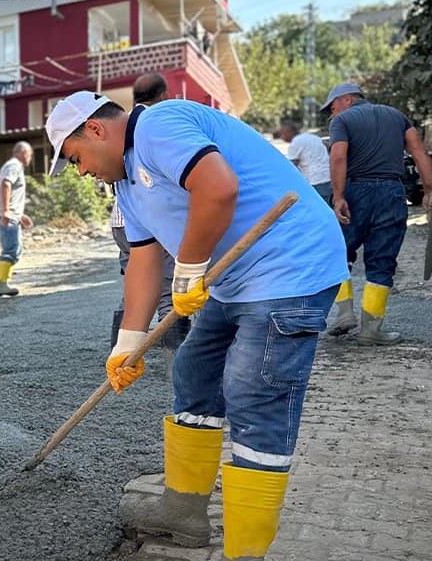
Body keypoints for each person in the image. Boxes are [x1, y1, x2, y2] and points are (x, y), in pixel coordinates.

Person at [45, 91, 347, 561]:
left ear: (97, 130)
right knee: (194, 372)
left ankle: (246, 550)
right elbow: (144, 261)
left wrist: (188, 268)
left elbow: (217, 186)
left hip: (290, 266)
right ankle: (184, 509)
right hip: (236, 280)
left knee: (254, 391)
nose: (81, 171)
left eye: (76, 158)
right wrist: (127, 345)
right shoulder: (126, 186)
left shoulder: (159, 125)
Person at [322, 82, 432, 345]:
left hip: (355, 189)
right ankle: (370, 330)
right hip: (392, 193)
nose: (331, 113)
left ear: (346, 99)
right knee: (382, 259)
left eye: (332, 106)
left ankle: (344, 315)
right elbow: (419, 152)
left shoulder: (343, 121)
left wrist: (338, 196)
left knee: (338, 250)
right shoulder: (397, 116)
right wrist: (428, 190)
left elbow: (338, 157)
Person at [109, 73, 190, 355]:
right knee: (164, 283)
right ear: (164, 95)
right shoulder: (152, 125)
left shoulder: (129, 127)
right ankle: (173, 348)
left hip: (120, 223)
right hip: (144, 222)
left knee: (134, 278)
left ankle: (122, 344)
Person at [0, 141, 34, 296]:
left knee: (14, 249)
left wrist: (20, 215)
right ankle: (0, 284)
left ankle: (2, 283)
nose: (30, 158)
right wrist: (6, 211)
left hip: (10, 215)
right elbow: (5, 185)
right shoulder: (14, 165)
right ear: (23, 152)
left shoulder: (14, 166)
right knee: (11, 250)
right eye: (30, 154)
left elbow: (12, 193)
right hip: (6, 215)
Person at [276, 119, 332, 205]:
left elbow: (292, 167)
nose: (281, 137)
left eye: (282, 134)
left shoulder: (295, 143)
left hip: (315, 180)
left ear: (289, 131)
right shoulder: (313, 137)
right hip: (329, 178)